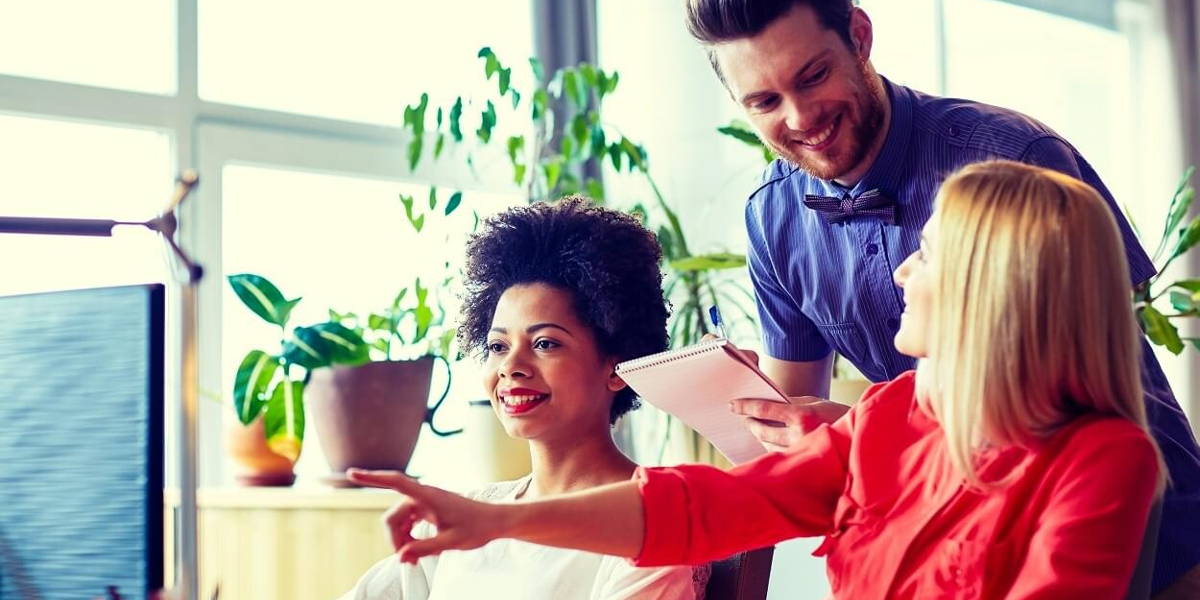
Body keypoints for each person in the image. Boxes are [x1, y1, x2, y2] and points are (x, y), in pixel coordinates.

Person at [349, 160, 1166, 599]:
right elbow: (706, 508)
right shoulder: (892, 415)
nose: (902, 272)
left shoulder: (1105, 460)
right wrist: (493, 522)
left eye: (929, 255)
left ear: (995, 289)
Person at [682, 0, 1200, 594]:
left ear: (859, 36)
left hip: (1149, 546)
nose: (800, 117)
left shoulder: (1013, 159)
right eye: (765, 102)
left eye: (814, 76)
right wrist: (750, 407)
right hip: (958, 562)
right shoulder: (772, 216)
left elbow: (1080, 395)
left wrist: (872, 439)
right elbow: (794, 428)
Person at [339, 197, 708, 600]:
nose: (511, 366)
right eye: (498, 346)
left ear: (618, 366)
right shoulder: (458, 520)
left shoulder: (651, 529)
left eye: (545, 343)